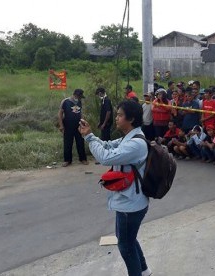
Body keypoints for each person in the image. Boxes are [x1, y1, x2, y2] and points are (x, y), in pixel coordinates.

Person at [78, 100, 151, 276]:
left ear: (131, 118)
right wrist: (92, 136)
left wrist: (88, 138)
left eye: (119, 115)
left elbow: (106, 157)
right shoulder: (130, 137)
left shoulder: (136, 143)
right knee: (129, 240)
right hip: (130, 200)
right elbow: (108, 145)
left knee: (126, 246)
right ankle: (145, 271)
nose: (116, 118)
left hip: (131, 204)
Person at [58, 89, 88, 167]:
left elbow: (81, 113)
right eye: (79, 96)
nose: (80, 98)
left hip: (78, 125)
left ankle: (83, 159)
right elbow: (60, 113)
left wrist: (83, 123)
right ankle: (67, 160)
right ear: (75, 95)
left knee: (80, 142)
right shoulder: (65, 101)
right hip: (68, 125)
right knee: (68, 143)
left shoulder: (79, 102)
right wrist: (61, 125)